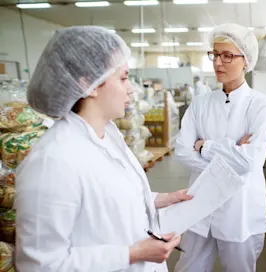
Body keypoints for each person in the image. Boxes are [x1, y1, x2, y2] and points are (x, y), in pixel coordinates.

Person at [14, 26, 192, 272]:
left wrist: (162, 199)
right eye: (123, 77)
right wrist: (133, 254)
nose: (132, 88)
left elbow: (109, 199)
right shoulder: (52, 162)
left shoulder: (108, 133)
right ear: (90, 85)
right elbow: (42, 265)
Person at [174, 23, 266, 272]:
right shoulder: (200, 104)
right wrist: (231, 152)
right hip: (200, 206)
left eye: (228, 55)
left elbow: (250, 162)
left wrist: (206, 147)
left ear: (246, 60)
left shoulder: (261, 106)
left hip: (238, 211)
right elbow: (182, 151)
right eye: (215, 54)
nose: (218, 62)